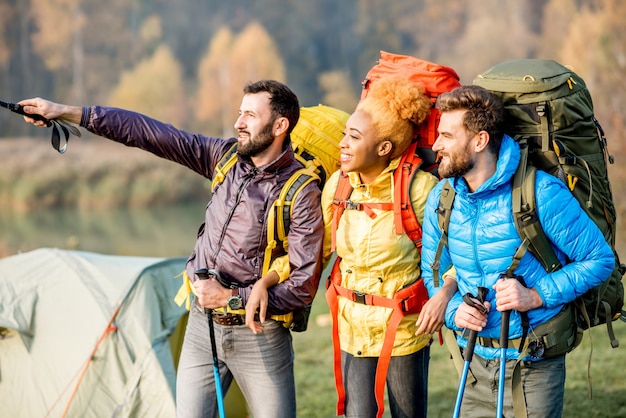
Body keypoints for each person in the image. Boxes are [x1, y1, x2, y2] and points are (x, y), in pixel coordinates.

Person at [19, 79, 324, 418]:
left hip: (260, 336)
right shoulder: (222, 158)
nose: (239, 122)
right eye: (240, 113)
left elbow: (303, 287)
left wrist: (230, 298)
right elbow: (147, 133)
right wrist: (67, 113)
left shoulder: (301, 192)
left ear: (280, 125)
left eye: (250, 115)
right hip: (200, 326)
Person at [420, 85, 614, 417]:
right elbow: (434, 272)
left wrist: (535, 296)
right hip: (474, 363)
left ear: (479, 141)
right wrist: (453, 310)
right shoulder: (442, 199)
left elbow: (599, 260)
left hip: (534, 363)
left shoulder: (541, 193)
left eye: (447, 136)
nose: (436, 145)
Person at [321, 75, 457, 418]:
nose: (343, 144)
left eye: (354, 137)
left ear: (384, 148)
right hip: (351, 326)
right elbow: (317, 247)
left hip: (404, 328)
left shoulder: (422, 190)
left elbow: (458, 251)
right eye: (344, 134)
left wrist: (444, 294)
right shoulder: (338, 185)